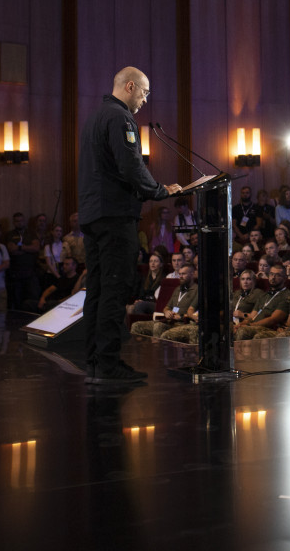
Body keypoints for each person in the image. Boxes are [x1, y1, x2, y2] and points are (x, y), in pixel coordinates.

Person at [79, 66, 182, 384]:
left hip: (94, 216)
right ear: (130, 86)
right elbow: (130, 165)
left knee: (97, 291)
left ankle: (94, 363)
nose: (145, 100)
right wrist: (160, 191)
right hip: (115, 217)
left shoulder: (95, 117)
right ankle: (108, 365)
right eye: (145, 93)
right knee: (114, 290)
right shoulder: (121, 118)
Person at [130, 262, 199, 338]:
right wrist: (166, 312)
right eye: (180, 274)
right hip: (169, 321)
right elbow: (166, 307)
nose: (181, 276)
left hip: (181, 323)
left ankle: (156, 346)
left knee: (159, 326)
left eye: (184, 274)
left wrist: (181, 316)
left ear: (192, 274)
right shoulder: (177, 289)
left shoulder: (196, 289)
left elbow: (191, 311)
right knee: (136, 325)